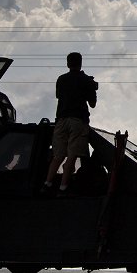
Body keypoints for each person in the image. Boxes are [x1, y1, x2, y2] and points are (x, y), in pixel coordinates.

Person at [42, 52, 98, 195]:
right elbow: (92, 104)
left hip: (61, 121)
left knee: (58, 156)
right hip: (77, 121)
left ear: (67, 64)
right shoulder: (86, 80)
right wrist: (92, 89)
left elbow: (59, 96)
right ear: (81, 63)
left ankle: (47, 184)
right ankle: (63, 188)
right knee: (72, 155)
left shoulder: (61, 79)